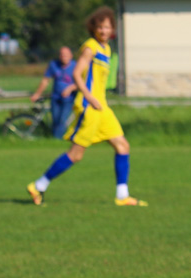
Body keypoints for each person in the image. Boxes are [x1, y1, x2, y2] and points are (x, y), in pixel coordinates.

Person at [26, 7, 147, 207]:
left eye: (107, 27)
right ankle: (38, 185)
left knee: (123, 146)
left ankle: (122, 195)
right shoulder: (90, 47)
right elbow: (77, 73)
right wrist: (89, 97)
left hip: (102, 107)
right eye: (100, 27)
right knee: (76, 154)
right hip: (89, 107)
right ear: (93, 28)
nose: (104, 31)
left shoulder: (106, 49)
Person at [30, 46, 77, 139]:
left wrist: (70, 88)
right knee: (55, 120)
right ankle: (54, 139)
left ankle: (56, 140)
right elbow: (45, 80)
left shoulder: (76, 66)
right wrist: (37, 94)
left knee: (62, 120)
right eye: (62, 55)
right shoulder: (53, 65)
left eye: (66, 55)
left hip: (69, 99)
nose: (64, 57)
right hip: (55, 97)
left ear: (71, 56)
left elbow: (81, 82)